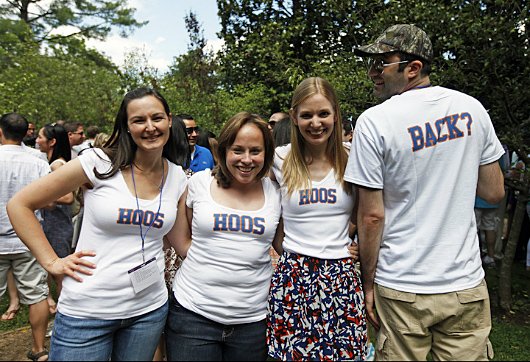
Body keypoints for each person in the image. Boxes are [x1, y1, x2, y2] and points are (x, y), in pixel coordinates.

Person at [346, 24, 505, 360]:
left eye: (381, 63)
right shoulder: (472, 109)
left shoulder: (375, 122)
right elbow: (493, 191)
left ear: (413, 68)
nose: (372, 72)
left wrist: (368, 285)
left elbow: (372, 216)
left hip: (402, 287)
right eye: (370, 64)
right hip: (464, 285)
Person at [7, 87, 189, 361]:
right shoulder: (98, 163)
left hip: (148, 310)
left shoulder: (177, 177)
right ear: (126, 127)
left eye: (157, 118)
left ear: (169, 120)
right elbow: (19, 205)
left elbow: (180, 242)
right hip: (87, 311)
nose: (150, 127)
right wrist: (52, 261)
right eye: (139, 120)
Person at [164, 111, 281, 361]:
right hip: (193, 314)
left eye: (255, 151)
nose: (246, 160)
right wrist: (205, 259)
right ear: (224, 150)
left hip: (252, 321)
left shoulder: (276, 192)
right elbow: (180, 237)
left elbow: (285, 244)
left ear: (267, 153)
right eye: (238, 150)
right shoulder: (199, 183)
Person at [267, 77, 367, 360]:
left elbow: (370, 209)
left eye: (323, 113)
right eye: (307, 115)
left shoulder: (354, 157)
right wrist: (283, 248)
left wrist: (357, 240)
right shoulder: (279, 159)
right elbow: (262, 205)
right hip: (294, 276)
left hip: (341, 275)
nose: (316, 123)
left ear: (335, 114)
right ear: (294, 118)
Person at [1, 113, 52, 361]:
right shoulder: (39, 161)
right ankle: (39, 348)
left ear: (0, 131)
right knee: (37, 294)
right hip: (27, 237)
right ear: (26, 134)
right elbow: (50, 200)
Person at [36, 123, 75, 315]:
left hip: (57, 226)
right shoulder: (56, 162)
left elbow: (68, 197)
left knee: (60, 276)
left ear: (52, 142)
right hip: (55, 224)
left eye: (40, 137)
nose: (36, 140)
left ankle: (63, 315)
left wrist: (35, 196)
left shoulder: (57, 164)